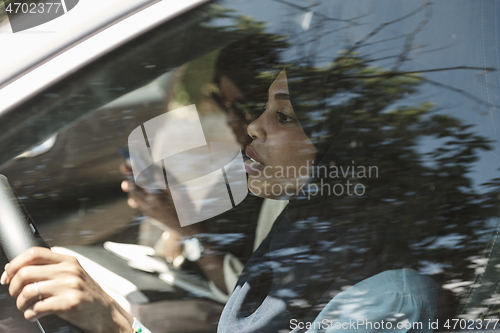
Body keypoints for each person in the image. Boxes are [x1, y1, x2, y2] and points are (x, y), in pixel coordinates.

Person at [0, 67, 450, 333]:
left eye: (284, 116)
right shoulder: (305, 241)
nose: (252, 125)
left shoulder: (392, 305)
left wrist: (115, 323)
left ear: (339, 148)